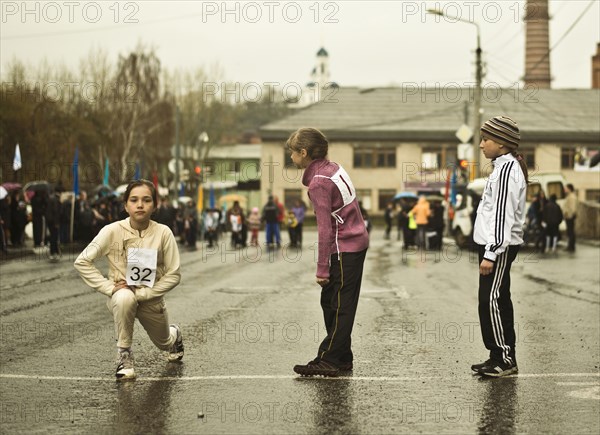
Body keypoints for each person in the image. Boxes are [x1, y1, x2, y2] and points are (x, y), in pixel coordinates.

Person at [74, 179, 184, 380]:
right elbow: (82, 262)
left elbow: (174, 274)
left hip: (151, 299)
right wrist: (110, 288)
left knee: (164, 343)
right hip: (121, 295)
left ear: (155, 205)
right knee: (125, 298)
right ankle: (124, 357)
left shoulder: (163, 233)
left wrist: (142, 293)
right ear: (125, 206)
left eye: (146, 200)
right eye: (133, 200)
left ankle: (174, 335)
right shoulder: (111, 231)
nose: (140, 205)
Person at [287, 127, 369, 377]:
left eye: (292, 152)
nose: (291, 157)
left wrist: (322, 269)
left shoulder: (319, 183)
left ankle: (329, 358)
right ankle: (343, 356)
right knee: (332, 303)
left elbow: (324, 229)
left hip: (345, 247)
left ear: (304, 152)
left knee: (340, 305)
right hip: (355, 241)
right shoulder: (332, 169)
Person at [471, 115, 528, 378]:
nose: (481, 145)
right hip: (496, 246)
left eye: (486, 139)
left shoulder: (506, 171)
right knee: (497, 299)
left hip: (499, 247)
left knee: (490, 300)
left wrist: (491, 252)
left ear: (502, 144)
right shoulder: (502, 167)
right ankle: (499, 355)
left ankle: (504, 358)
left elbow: (502, 215)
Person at [45, 188, 61, 262]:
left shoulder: (50, 199)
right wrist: (56, 223)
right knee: (54, 237)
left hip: (49, 221)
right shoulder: (55, 200)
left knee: (52, 237)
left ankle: (54, 252)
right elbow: (56, 212)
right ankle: (55, 252)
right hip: (54, 222)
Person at [563, 183, 578, 252]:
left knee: (571, 232)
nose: (564, 190)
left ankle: (571, 246)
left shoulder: (572, 197)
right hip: (568, 217)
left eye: (566, 188)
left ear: (569, 189)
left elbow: (572, 208)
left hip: (570, 217)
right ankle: (570, 246)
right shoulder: (569, 196)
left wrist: (569, 215)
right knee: (570, 232)